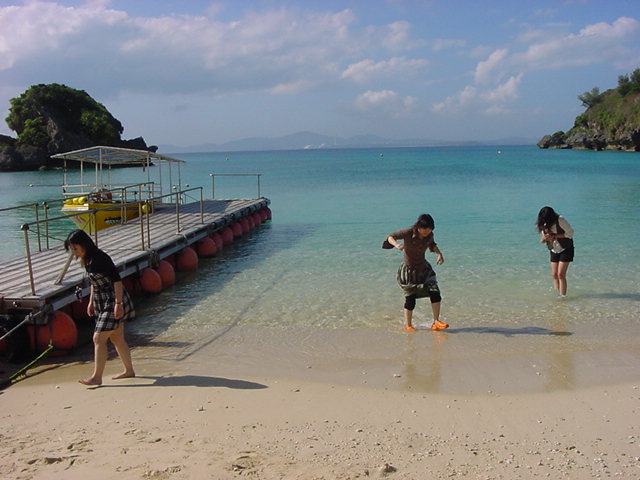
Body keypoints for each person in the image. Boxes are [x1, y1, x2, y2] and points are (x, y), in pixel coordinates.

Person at [64, 229, 135, 385]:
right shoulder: (87, 260)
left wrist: (118, 304)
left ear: (84, 244)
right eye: (72, 249)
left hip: (113, 299)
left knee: (98, 338)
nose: (74, 252)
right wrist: (91, 302)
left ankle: (97, 377)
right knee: (117, 338)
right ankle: (129, 371)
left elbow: (117, 281)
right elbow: (94, 283)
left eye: (75, 248)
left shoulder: (100, 258)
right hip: (101, 300)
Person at [384, 214, 448, 331]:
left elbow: (432, 245)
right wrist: (397, 244)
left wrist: (439, 254)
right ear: (418, 227)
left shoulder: (429, 235)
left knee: (435, 292)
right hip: (409, 271)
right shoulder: (408, 232)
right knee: (410, 298)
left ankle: (436, 322)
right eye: (424, 229)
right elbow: (390, 236)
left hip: (424, 268)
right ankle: (408, 325)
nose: (427, 231)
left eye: (430, 229)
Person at [536, 206, 575, 297]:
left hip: (566, 248)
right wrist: (544, 239)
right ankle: (557, 294)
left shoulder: (560, 220)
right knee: (554, 275)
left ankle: (562, 296)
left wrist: (554, 236)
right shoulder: (544, 223)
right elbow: (543, 239)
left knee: (560, 274)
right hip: (554, 249)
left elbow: (570, 233)